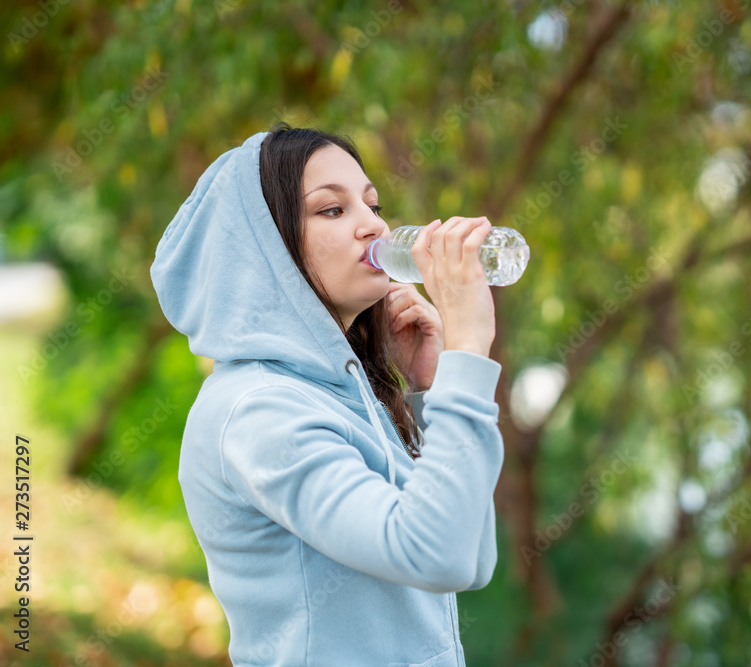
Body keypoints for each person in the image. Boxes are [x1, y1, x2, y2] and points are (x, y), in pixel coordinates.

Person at [149, 122, 504, 666]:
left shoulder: (343, 392)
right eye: (332, 210)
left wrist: (432, 390)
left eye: (373, 205)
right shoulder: (257, 410)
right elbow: (439, 555)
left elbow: (470, 559)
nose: (374, 227)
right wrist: (468, 348)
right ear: (263, 249)